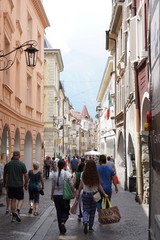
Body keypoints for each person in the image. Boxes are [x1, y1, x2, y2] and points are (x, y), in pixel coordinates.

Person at [76, 160, 108, 234]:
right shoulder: (96, 174)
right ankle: (90, 227)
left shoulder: (83, 174)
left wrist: (78, 193)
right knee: (92, 211)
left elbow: (80, 185)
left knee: (85, 210)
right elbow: (99, 185)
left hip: (86, 194)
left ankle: (85, 221)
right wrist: (104, 194)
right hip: (94, 194)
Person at [51, 159, 74, 235]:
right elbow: (71, 185)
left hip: (56, 195)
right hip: (64, 196)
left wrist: (52, 195)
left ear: (57, 165)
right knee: (66, 211)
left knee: (59, 212)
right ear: (65, 165)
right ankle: (63, 222)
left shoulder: (54, 174)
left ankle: (61, 229)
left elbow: (53, 186)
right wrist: (73, 192)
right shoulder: (67, 174)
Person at [4, 151, 28, 222]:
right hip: (19, 185)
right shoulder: (22, 164)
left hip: (10, 185)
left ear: (13, 155)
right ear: (19, 156)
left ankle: (13, 216)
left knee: (13, 199)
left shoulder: (8, 164)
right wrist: (26, 183)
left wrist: (5, 183)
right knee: (21, 199)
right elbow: (25, 175)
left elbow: (5, 174)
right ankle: (18, 210)